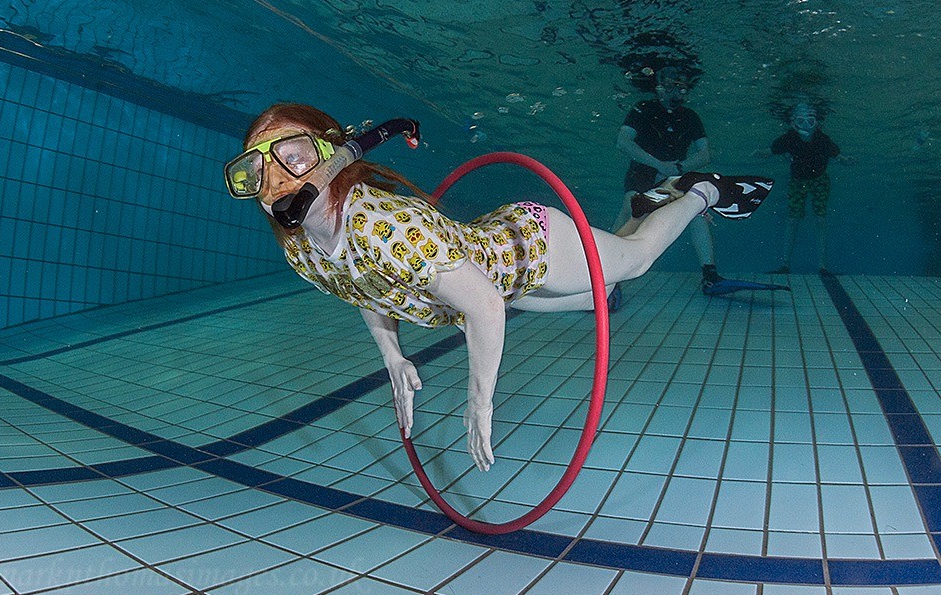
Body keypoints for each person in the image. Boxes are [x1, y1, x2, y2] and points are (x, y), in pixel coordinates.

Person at [228, 103, 773, 472]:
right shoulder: (300, 249)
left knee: (634, 262)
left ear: (332, 155)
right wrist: (393, 357)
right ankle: (645, 204)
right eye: (253, 172)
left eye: (293, 156)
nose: (276, 180)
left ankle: (702, 191)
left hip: (527, 248)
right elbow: (365, 288)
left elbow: (485, 304)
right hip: (478, 287)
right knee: (598, 292)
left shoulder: (384, 224)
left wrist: (479, 401)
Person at [612, 65, 724, 295]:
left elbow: (705, 154)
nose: (678, 92)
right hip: (642, 173)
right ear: (659, 87)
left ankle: (710, 274)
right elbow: (623, 142)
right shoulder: (643, 108)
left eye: (682, 87)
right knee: (632, 209)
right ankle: (607, 272)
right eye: (672, 85)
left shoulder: (690, 117)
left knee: (697, 215)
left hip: (674, 175)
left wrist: (678, 168)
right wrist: (658, 165)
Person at [753, 102, 855, 275]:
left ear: (817, 123)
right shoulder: (788, 138)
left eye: (810, 121)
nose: (806, 126)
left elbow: (839, 156)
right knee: (793, 221)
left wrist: (846, 160)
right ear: (793, 123)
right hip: (798, 181)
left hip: (819, 180)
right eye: (801, 121)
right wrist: (759, 153)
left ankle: (822, 266)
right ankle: (785, 265)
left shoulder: (823, 139)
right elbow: (770, 151)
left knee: (820, 220)